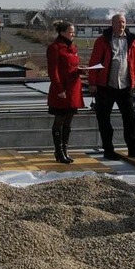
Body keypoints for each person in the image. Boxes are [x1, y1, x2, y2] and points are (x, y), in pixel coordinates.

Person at [88, 13, 135, 160]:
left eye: (123, 22)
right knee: (104, 120)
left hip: (125, 85)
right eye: (118, 22)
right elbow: (94, 62)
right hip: (106, 86)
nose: (121, 25)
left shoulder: (132, 41)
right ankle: (108, 150)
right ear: (112, 24)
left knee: (130, 119)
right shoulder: (102, 40)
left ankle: (133, 149)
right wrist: (92, 83)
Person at [46, 20, 84, 163]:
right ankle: (59, 151)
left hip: (73, 89)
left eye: (73, 32)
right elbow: (53, 70)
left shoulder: (72, 47)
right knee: (60, 120)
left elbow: (72, 66)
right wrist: (59, 88)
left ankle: (65, 150)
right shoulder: (55, 48)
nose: (73, 34)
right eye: (70, 32)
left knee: (68, 120)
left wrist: (81, 70)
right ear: (62, 33)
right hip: (62, 89)